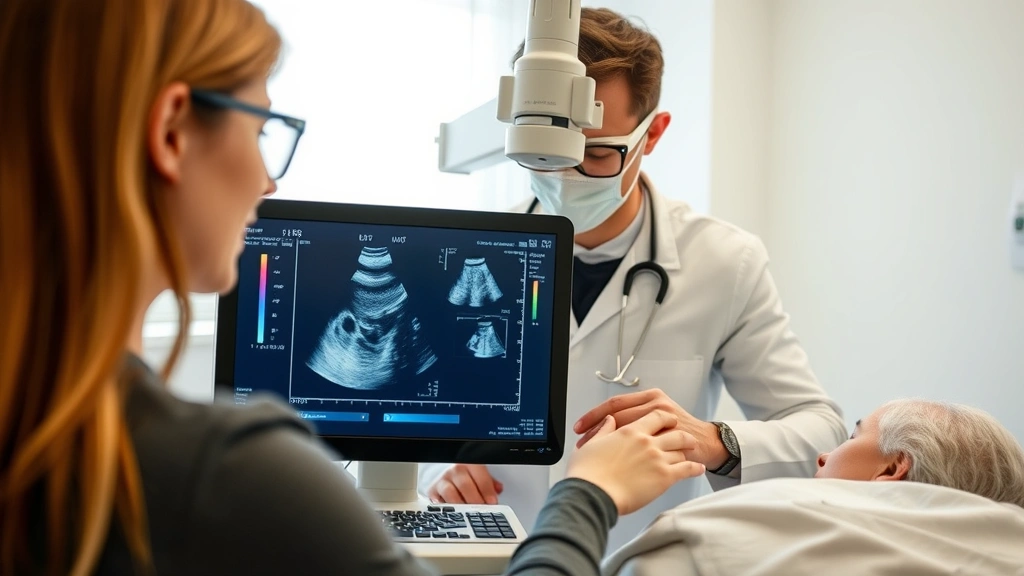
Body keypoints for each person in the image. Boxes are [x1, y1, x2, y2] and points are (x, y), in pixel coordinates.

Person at [0, 1, 706, 575]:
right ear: (172, 133)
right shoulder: (229, 472)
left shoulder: (44, 438)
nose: (268, 180)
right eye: (266, 128)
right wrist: (589, 491)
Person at [422, 6, 848, 548]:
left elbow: (820, 428)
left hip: (638, 557)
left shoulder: (725, 261)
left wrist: (714, 440)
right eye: (546, 153)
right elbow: (408, 416)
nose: (564, 176)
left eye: (597, 153)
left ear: (653, 134)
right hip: (495, 555)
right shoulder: (467, 254)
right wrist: (433, 470)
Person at [600, 399, 1024, 575]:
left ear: (894, 468)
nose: (822, 456)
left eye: (853, 437)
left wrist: (591, 488)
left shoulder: (707, 534)